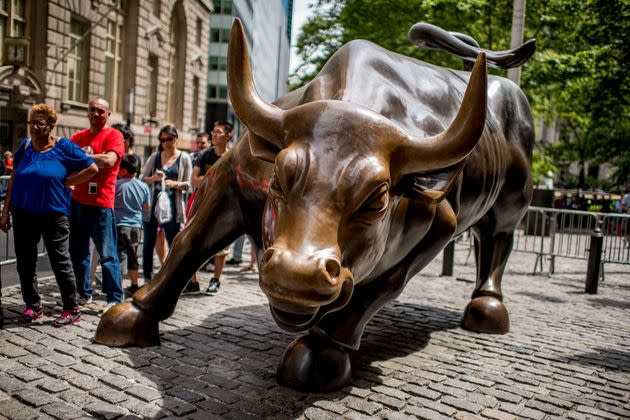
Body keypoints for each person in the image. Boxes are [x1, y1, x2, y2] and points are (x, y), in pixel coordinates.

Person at [0, 103, 98, 326]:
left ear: (51, 125)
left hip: (54, 214)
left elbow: (92, 168)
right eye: (31, 122)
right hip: (23, 212)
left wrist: (68, 182)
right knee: (25, 263)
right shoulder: (25, 146)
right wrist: (5, 212)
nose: (33, 126)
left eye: (39, 122)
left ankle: (72, 308)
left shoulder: (64, 146)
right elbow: (14, 178)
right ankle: (33, 306)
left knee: (60, 261)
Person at [69, 97, 126, 310]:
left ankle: (114, 298)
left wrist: (80, 158)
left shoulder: (114, 135)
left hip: (101, 205)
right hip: (77, 203)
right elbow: (67, 160)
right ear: (87, 112)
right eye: (92, 110)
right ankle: (83, 293)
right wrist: (92, 160)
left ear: (108, 114)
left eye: (101, 111)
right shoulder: (78, 136)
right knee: (78, 253)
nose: (96, 114)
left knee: (108, 254)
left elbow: (110, 161)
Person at [184, 121, 232, 294]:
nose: (214, 135)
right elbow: (194, 179)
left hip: (223, 207)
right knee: (192, 241)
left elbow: (232, 184)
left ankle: (216, 280)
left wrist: (206, 180)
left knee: (222, 246)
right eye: (213, 132)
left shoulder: (231, 157)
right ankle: (192, 280)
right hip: (201, 204)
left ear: (228, 136)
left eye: (218, 132)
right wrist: (214, 180)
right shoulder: (204, 155)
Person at [142, 125, 192, 283]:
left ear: (176, 139)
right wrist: (153, 179)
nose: (166, 143)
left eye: (169, 139)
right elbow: (143, 178)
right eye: (163, 140)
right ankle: (147, 279)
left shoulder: (184, 157)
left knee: (173, 244)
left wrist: (174, 184)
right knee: (148, 243)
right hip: (152, 208)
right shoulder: (155, 156)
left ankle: (172, 278)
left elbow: (189, 185)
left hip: (173, 208)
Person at [114, 154, 150, 296]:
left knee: (120, 256)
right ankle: (134, 285)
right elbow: (146, 207)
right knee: (133, 255)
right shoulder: (143, 186)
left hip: (120, 225)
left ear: (123, 170)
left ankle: (119, 286)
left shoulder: (117, 185)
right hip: (136, 226)